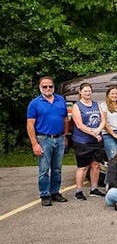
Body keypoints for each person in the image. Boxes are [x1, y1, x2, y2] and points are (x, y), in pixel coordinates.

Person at [27, 76, 69, 206]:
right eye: (44, 86)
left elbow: (66, 119)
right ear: (40, 87)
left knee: (57, 169)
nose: (48, 88)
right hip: (44, 139)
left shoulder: (60, 100)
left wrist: (66, 135)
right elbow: (30, 125)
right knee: (44, 170)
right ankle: (45, 194)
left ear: (53, 87)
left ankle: (55, 192)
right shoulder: (35, 103)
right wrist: (35, 144)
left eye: (50, 86)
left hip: (59, 138)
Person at [71, 82, 106, 200]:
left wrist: (98, 130)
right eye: (85, 91)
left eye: (89, 91)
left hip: (96, 140)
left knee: (96, 165)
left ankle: (94, 189)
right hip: (82, 140)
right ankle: (79, 191)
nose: (87, 93)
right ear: (80, 92)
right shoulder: (77, 106)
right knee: (83, 166)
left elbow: (103, 121)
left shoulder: (97, 104)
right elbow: (79, 125)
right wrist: (94, 133)